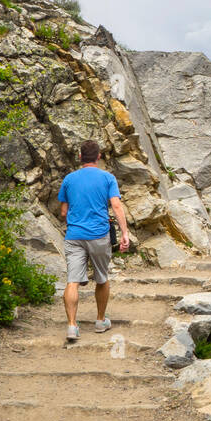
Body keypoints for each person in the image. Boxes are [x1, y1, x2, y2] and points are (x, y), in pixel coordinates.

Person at [57, 140, 129, 342]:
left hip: (74, 236)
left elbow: (63, 211)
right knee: (102, 277)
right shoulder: (107, 178)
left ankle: (72, 326)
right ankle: (99, 320)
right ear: (98, 157)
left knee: (72, 281)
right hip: (99, 235)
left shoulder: (69, 179)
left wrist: (76, 217)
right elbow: (116, 205)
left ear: (80, 157)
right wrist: (125, 233)